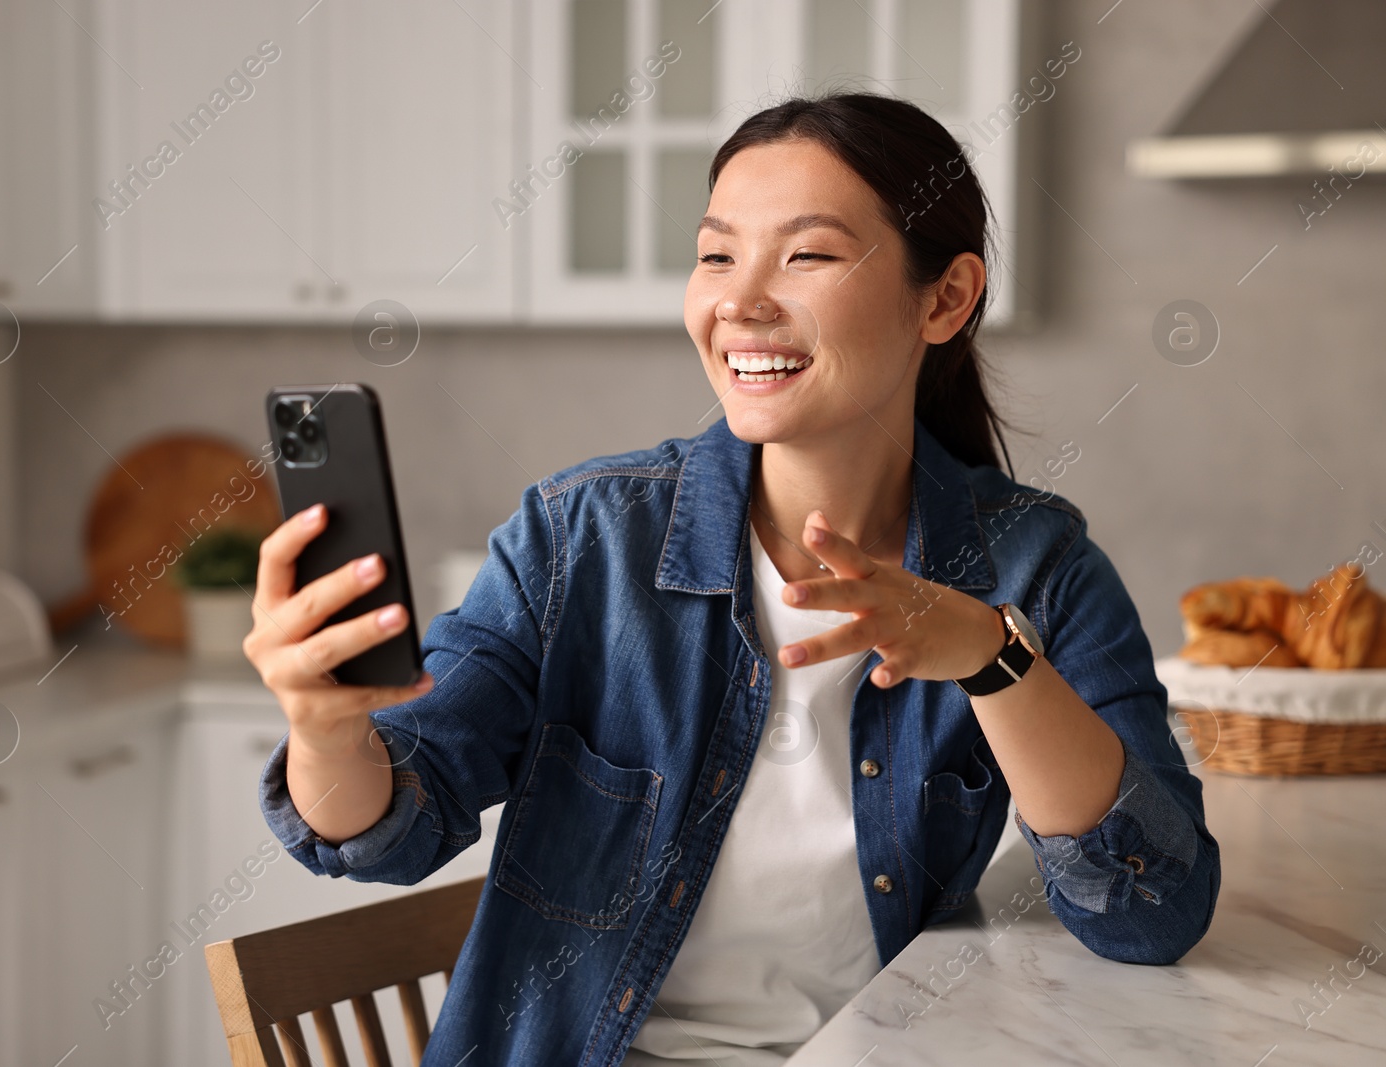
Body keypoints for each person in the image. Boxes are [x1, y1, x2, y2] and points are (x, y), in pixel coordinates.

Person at [246, 91, 1220, 1066]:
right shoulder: (579, 538)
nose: (739, 302)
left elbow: (1149, 911)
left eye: (806, 255)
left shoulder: (1034, 563)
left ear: (945, 298)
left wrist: (988, 656)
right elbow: (390, 826)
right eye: (716, 254)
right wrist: (324, 729)